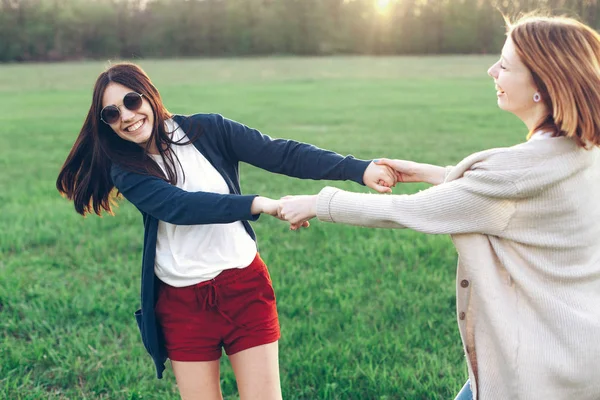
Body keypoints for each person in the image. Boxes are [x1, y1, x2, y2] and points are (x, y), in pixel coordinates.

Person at [279, 14, 600, 400]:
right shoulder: (582, 149)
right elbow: (506, 195)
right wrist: (430, 171)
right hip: (582, 349)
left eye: (505, 64)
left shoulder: (512, 174)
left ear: (542, 85)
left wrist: (317, 202)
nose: (491, 70)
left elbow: (412, 211)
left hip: (536, 367)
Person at [55, 62, 397, 400]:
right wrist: (259, 204)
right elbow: (179, 206)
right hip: (182, 304)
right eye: (112, 114)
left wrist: (360, 169)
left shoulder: (208, 130)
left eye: (131, 102)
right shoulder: (126, 169)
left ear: (149, 95)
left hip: (244, 288)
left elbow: (281, 154)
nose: (127, 117)